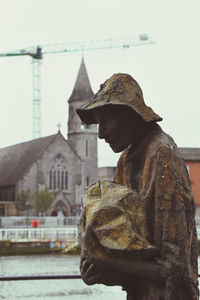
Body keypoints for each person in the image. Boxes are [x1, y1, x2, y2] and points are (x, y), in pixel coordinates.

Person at [76, 73, 199, 300]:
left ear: (129, 115)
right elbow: (136, 258)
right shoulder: (126, 160)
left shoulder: (161, 155)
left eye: (105, 121)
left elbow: (174, 267)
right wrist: (99, 271)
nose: (101, 134)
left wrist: (104, 258)